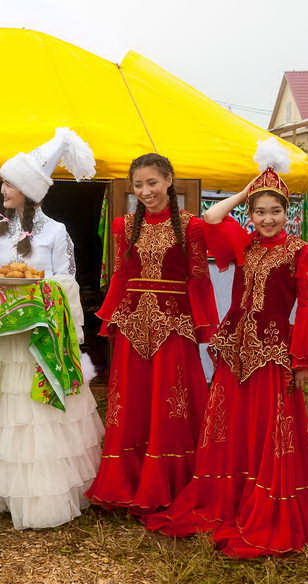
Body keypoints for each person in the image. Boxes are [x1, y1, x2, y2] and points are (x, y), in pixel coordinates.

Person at [144, 139, 308, 556]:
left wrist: (303, 359)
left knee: (270, 429)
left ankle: (267, 501)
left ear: (287, 213)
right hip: (237, 347)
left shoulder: (303, 252)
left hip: (274, 351)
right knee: (231, 427)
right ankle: (233, 496)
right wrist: (245, 192)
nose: (268, 218)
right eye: (260, 211)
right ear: (251, 214)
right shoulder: (245, 245)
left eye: (276, 210)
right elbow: (210, 216)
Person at [0, 128, 104, 529]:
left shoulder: (57, 231)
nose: (2, 188)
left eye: (9, 182)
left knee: (40, 410)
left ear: (26, 189)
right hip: (8, 337)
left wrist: (37, 287)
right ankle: (9, 489)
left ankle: (47, 493)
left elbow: (67, 282)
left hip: (40, 336)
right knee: (11, 411)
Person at [85, 153, 220, 514]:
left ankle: (170, 483)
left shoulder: (191, 226)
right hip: (132, 327)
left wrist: (204, 326)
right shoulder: (122, 225)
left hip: (173, 327)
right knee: (131, 403)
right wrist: (110, 316)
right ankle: (125, 483)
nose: (145, 191)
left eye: (152, 183)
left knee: (169, 404)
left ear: (169, 180)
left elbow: (198, 277)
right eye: (138, 185)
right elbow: (121, 275)